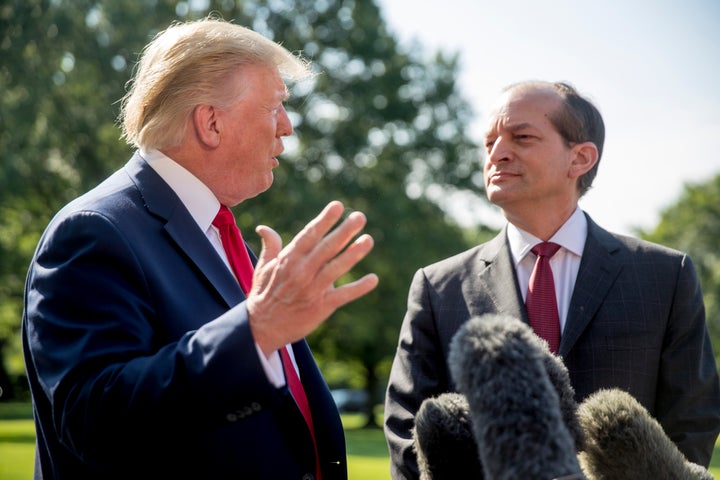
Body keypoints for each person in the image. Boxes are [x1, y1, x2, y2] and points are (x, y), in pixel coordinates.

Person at [22, 16, 378, 480]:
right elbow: (95, 422)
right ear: (210, 122)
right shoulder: (93, 231)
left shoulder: (228, 242)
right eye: (275, 107)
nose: (288, 128)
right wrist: (256, 330)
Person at [383, 80, 720, 479]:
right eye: (489, 142)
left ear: (580, 158)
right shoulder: (438, 286)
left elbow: (692, 419)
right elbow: (407, 425)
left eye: (521, 137)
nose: (496, 153)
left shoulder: (666, 275)